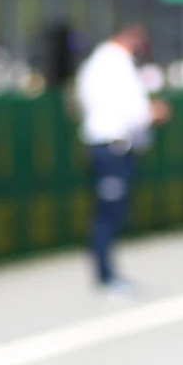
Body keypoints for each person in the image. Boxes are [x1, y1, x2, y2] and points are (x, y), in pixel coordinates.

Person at [70, 22, 164, 295]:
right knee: (107, 212)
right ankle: (105, 275)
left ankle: (107, 272)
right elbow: (131, 110)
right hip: (112, 147)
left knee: (110, 211)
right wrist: (153, 113)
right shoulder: (114, 64)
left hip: (108, 145)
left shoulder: (98, 62)